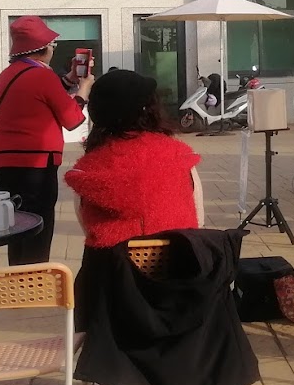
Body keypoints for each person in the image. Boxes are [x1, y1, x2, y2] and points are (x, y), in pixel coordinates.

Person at [0, 16, 94, 264]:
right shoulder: (42, 76)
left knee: (16, 224)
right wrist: (84, 88)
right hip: (35, 162)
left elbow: (42, 95)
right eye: (52, 45)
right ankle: (35, 278)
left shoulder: (9, 73)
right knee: (38, 225)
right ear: (43, 48)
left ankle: (17, 275)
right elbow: (72, 119)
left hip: (4, 161)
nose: (53, 49)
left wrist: (70, 78)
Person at [65, 69, 202, 250]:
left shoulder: (85, 171)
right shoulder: (181, 156)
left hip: (110, 266)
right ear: (150, 110)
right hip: (178, 262)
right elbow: (198, 221)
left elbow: (88, 229)